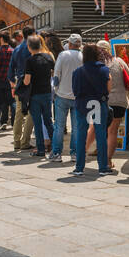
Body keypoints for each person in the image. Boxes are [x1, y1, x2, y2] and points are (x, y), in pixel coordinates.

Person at [71, 44, 113, 176]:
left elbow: (75, 90)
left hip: (82, 103)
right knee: (101, 134)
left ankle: (79, 167)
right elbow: (109, 89)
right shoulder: (104, 70)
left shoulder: (77, 71)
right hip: (99, 103)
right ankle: (103, 167)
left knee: (81, 134)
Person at [51, 33, 83, 161]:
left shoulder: (63, 55)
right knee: (76, 127)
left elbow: (57, 74)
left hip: (62, 94)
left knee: (59, 126)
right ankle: (74, 153)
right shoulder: (83, 56)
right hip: (77, 96)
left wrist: (55, 89)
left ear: (69, 44)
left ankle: (57, 153)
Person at [22, 35, 54, 157]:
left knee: (37, 122)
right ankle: (56, 147)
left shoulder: (30, 61)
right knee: (48, 121)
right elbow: (52, 73)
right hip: (46, 93)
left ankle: (40, 149)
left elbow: (27, 81)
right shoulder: (48, 57)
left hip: (35, 94)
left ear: (29, 47)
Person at [103, 38, 129, 156]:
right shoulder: (119, 61)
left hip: (104, 101)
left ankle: (102, 154)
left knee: (100, 130)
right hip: (120, 101)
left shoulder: (99, 63)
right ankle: (108, 159)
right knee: (113, 131)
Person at [9, 26, 35, 151]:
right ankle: (25, 141)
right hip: (32, 82)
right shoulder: (33, 48)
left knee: (19, 113)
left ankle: (16, 141)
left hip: (19, 82)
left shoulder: (17, 48)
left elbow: (11, 67)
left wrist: (12, 82)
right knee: (31, 112)